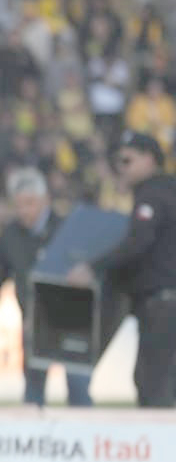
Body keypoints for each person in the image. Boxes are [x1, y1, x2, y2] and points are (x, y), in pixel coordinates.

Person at [67, 130, 176, 406]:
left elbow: (138, 242)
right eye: (118, 162)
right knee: (155, 379)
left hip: (161, 301)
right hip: (160, 301)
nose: (121, 168)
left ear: (150, 159)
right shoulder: (166, 190)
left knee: (154, 385)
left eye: (127, 161)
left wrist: (93, 268)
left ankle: (160, 436)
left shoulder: (153, 195)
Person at [0, 168, 92, 406]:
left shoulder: (68, 228)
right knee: (33, 390)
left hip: (72, 320)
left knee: (78, 388)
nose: (24, 211)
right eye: (19, 205)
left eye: (30, 203)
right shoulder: (9, 235)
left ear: (45, 200)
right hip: (34, 322)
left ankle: (83, 427)